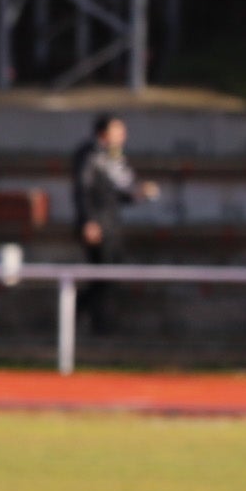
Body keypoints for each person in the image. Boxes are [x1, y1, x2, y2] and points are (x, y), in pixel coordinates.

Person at [71, 112, 159, 332]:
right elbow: (82, 190)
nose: (122, 135)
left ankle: (94, 323)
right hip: (98, 224)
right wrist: (88, 221)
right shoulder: (89, 154)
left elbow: (121, 192)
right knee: (103, 277)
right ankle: (86, 321)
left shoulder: (114, 157)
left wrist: (140, 193)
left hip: (111, 225)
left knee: (110, 277)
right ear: (104, 132)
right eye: (117, 130)